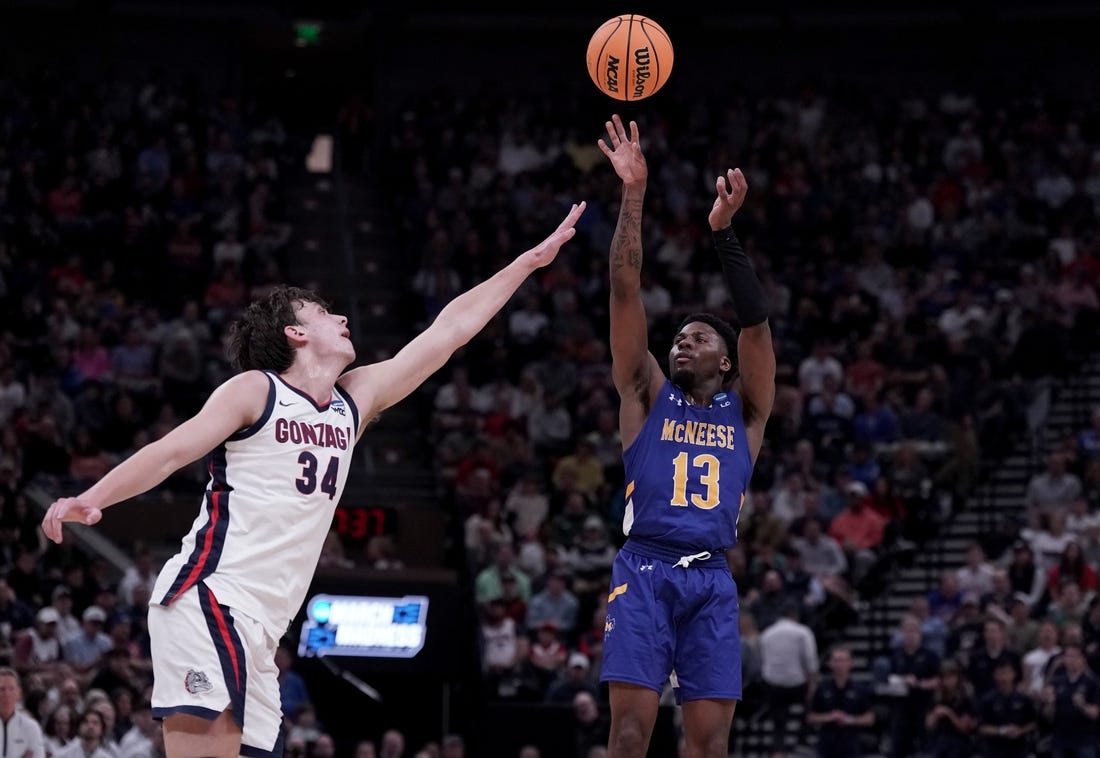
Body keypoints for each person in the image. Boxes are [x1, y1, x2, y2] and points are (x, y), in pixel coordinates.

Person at [40, 203, 587, 758]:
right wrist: (91, 498)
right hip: (210, 598)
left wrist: (526, 264)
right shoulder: (257, 390)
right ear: (295, 331)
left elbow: (448, 333)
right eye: (324, 312)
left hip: (263, 630)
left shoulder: (353, 400)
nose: (342, 318)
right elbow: (170, 451)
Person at [596, 114, 775, 758]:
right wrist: (634, 193)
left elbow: (756, 327)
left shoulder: (747, 412)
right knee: (629, 733)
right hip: (643, 566)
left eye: (698, 338)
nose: (682, 341)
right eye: (679, 337)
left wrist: (723, 234)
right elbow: (623, 287)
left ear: (724, 362)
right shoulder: (645, 393)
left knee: (710, 744)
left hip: (711, 579)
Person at [0, 667, 45, 758]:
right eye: (2, 689)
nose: (7, 694)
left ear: (19, 693)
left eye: (11, 689)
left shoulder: (31, 727)